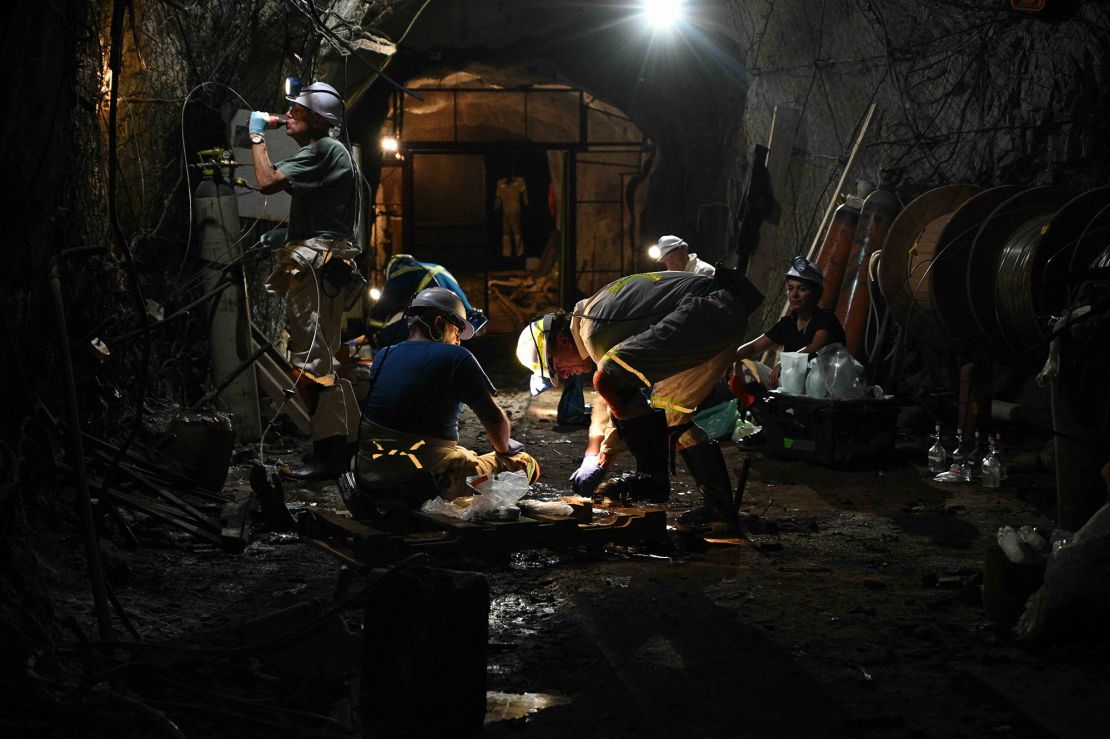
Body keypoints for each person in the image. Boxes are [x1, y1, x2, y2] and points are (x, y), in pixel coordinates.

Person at [517, 267, 764, 533]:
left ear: (564, 341)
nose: (564, 376)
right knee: (672, 414)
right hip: (721, 310)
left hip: (709, 309)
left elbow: (613, 390)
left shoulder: (592, 330)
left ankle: (652, 478)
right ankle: (720, 510)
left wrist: (604, 457)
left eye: (558, 368)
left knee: (608, 379)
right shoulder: (590, 313)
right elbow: (617, 399)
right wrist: (601, 456)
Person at [249, 80, 361, 481]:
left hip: (315, 267)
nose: (289, 114)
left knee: (313, 360)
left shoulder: (323, 149)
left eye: (297, 110)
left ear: (317, 118)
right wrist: (286, 235)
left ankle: (327, 457)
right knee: (325, 356)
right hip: (323, 261)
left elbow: (265, 181)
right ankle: (346, 447)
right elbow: (326, 211)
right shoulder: (330, 153)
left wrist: (257, 135)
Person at [356, 287, 538, 504]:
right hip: (424, 485)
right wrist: (505, 450)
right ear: (439, 323)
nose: (459, 340)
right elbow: (495, 421)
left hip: (370, 476)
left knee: (458, 452)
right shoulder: (456, 358)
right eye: (457, 331)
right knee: (525, 463)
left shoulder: (383, 355)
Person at [732, 256, 846, 392]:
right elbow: (755, 346)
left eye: (802, 289)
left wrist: (783, 363)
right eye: (791, 288)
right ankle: (761, 409)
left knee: (812, 379)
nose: (794, 294)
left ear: (816, 293)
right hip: (788, 382)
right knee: (743, 364)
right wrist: (726, 362)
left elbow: (816, 346)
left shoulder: (825, 319)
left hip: (816, 388)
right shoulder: (788, 323)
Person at [365, 254, 486, 350]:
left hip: (435, 322)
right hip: (463, 321)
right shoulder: (437, 268)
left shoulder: (400, 274)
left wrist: (373, 333)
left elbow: (382, 308)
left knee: (397, 334)